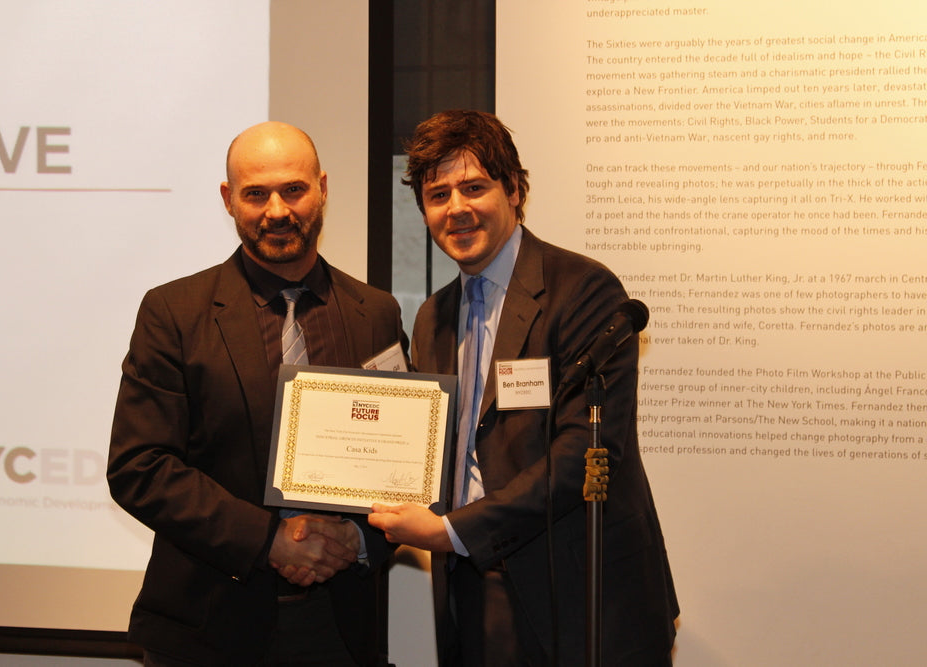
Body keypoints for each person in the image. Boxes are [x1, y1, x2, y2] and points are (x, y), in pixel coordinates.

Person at [368, 110, 679, 666]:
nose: (456, 208)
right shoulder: (433, 317)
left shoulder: (583, 290)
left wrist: (454, 530)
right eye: (438, 195)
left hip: (575, 587)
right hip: (469, 586)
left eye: (474, 187)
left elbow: (587, 454)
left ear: (515, 190)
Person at [107, 121, 407, 666]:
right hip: (206, 631)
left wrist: (357, 540)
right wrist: (269, 540)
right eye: (255, 193)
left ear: (322, 187)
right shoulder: (174, 313)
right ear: (228, 199)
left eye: (293, 189)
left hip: (341, 630)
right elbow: (139, 467)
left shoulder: (376, 314)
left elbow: (405, 465)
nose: (276, 210)